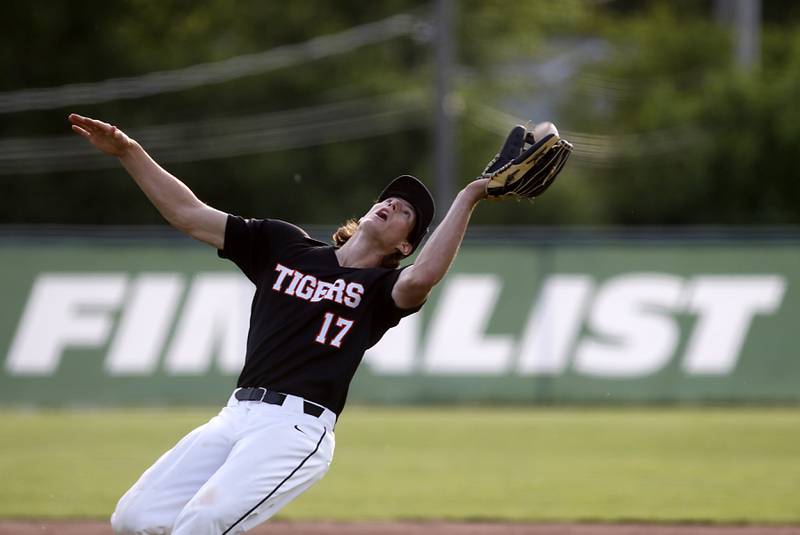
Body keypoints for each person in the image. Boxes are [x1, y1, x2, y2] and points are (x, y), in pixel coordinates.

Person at [68, 113, 491, 534]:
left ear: (404, 245)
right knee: (134, 518)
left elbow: (424, 275)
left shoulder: (381, 290)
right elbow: (190, 214)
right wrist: (128, 149)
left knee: (202, 522)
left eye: (406, 213)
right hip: (236, 414)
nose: (393, 204)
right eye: (390, 199)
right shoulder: (286, 246)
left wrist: (469, 196)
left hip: (294, 430)